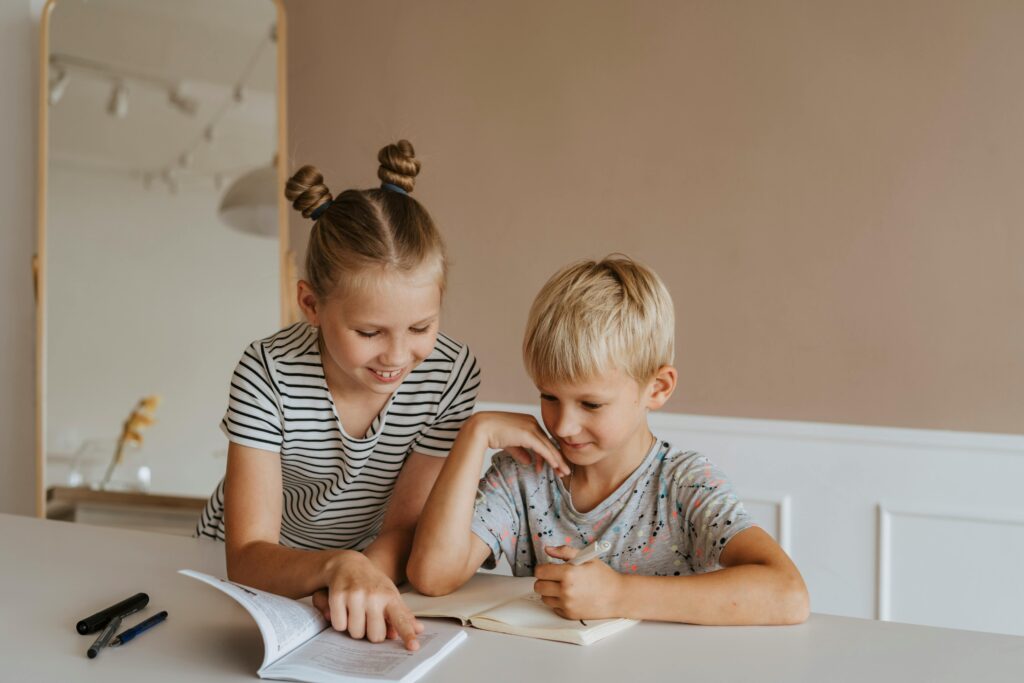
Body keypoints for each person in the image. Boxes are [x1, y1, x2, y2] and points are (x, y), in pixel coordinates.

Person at [407, 256, 809, 625]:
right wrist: (474, 434)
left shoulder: (685, 484)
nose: (563, 425)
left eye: (591, 404)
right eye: (549, 396)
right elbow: (431, 576)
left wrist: (618, 595)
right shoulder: (522, 475)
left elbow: (788, 594)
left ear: (657, 388)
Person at [196, 140, 480, 650]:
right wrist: (338, 570)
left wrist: (358, 579)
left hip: (361, 570)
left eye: (421, 326)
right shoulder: (267, 371)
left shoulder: (451, 373)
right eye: (369, 333)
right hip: (255, 570)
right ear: (310, 303)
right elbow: (246, 554)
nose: (396, 356)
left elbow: (404, 526)